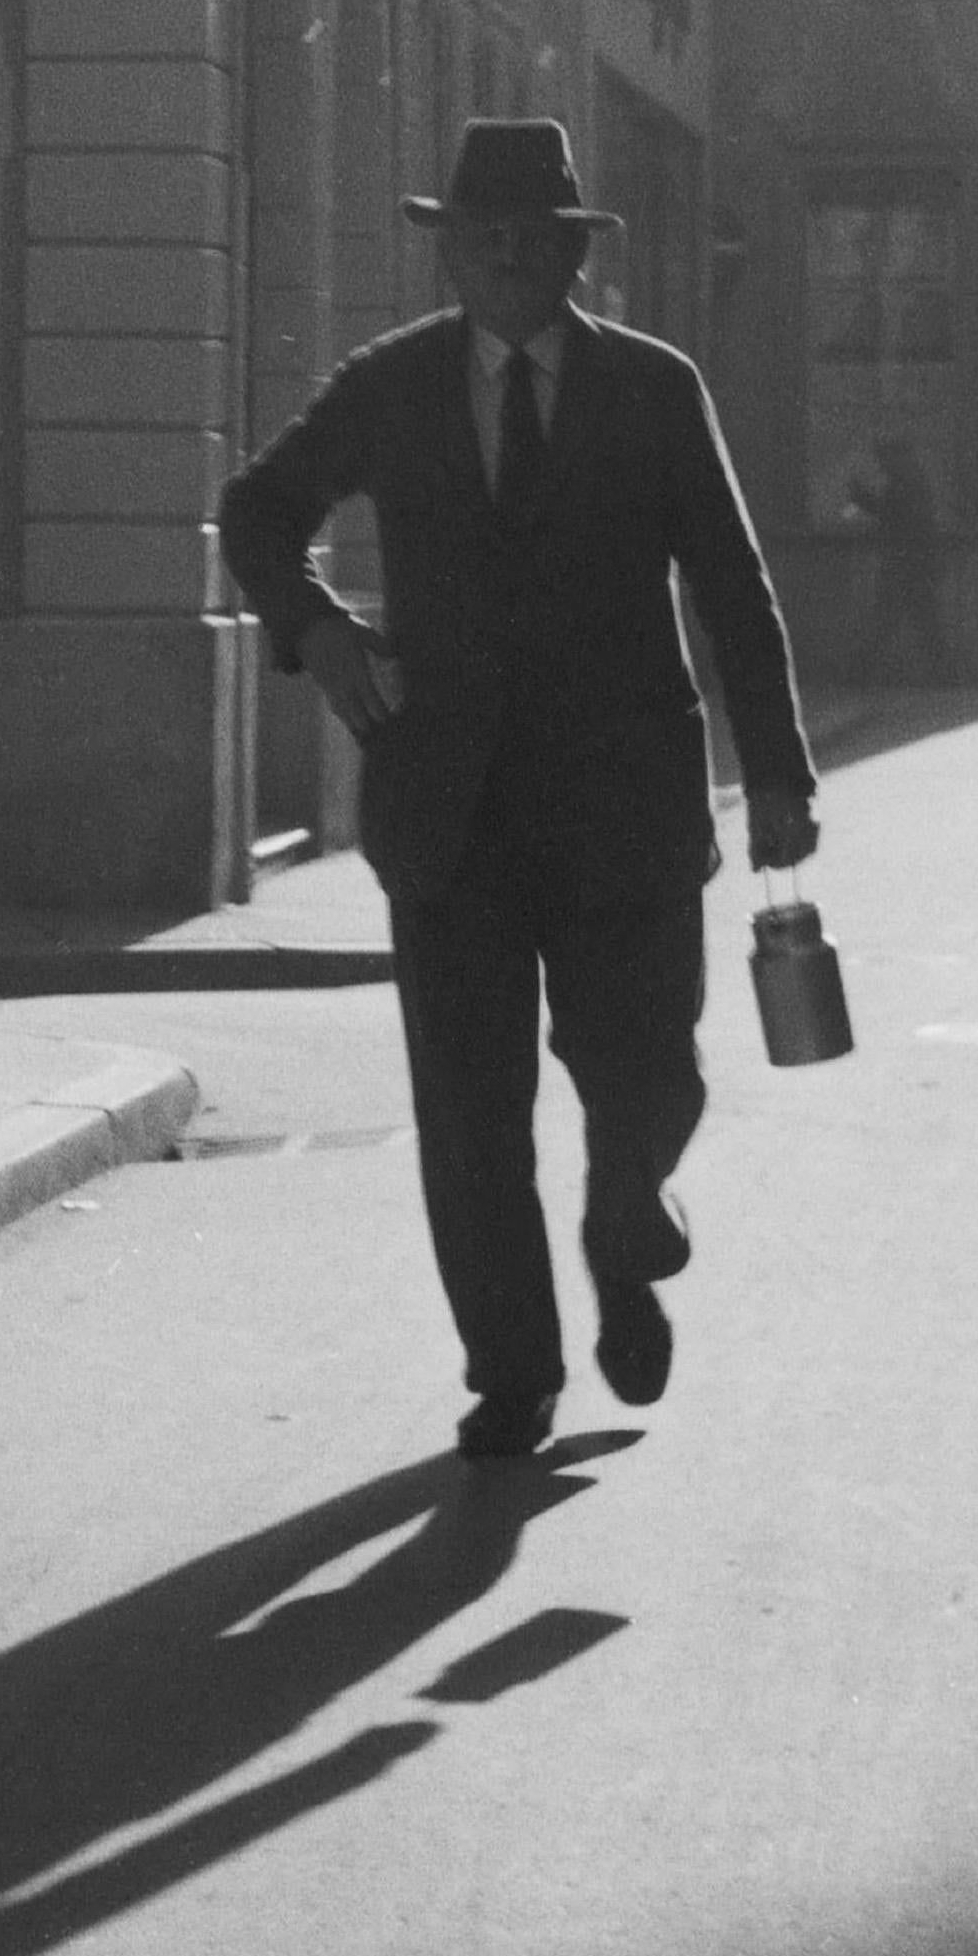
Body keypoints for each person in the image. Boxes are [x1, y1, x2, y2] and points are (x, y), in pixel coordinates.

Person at [218, 119, 821, 1464]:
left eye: (530, 240)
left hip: (626, 808)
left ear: (569, 255)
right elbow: (257, 509)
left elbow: (731, 583)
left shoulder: (656, 392)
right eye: (479, 239)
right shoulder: (394, 387)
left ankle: (624, 1228)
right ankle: (513, 1372)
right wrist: (315, 628)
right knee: (472, 1108)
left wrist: (774, 770)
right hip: (453, 809)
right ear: (448, 256)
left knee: (645, 1072)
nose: (504, 260)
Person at [861, 435, 956, 687]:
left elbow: (894, 517)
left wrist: (863, 500)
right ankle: (945, 677)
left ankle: (862, 675)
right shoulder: (913, 482)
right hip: (915, 563)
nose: (881, 465)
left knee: (890, 621)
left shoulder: (905, 484)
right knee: (923, 622)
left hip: (905, 563)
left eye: (884, 459)